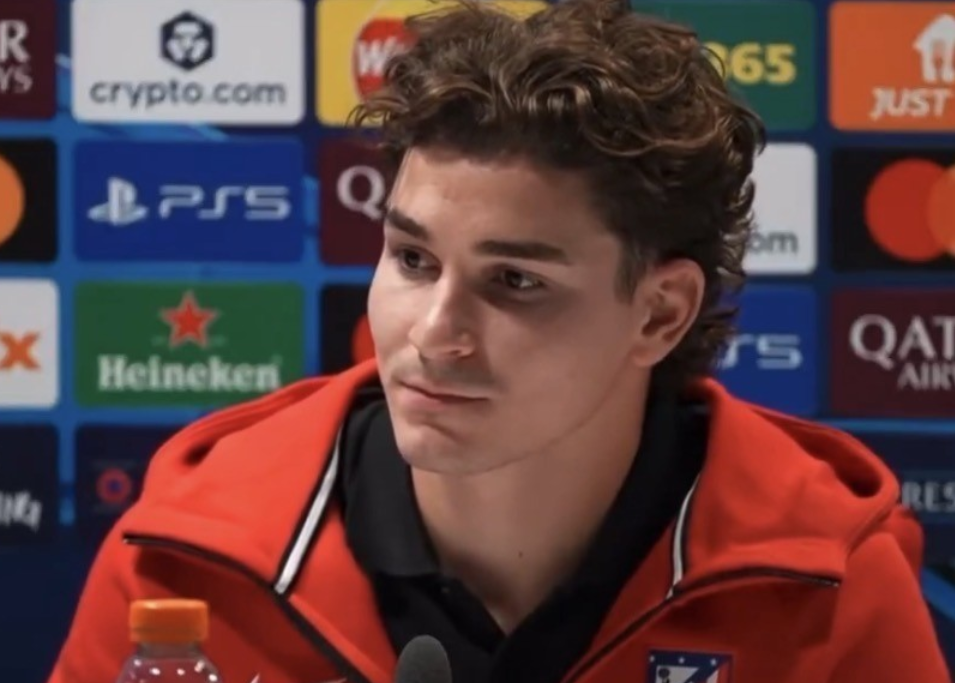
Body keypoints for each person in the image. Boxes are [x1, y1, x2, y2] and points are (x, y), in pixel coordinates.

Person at [50, 0, 951, 681]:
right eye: (412, 259)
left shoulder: (825, 586)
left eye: (515, 281)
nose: (434, 332)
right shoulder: (183, 563)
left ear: (659, 313)